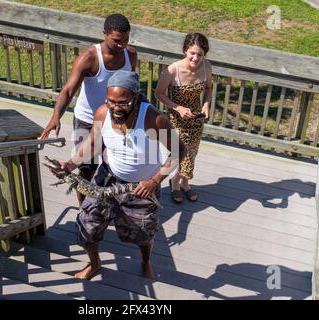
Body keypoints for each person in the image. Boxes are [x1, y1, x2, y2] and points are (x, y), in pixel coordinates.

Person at [52, 71, 186, 280]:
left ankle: (145, 261)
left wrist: (155, 181)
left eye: (122, 103)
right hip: (107, 179)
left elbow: (179, 151)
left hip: (142, 186)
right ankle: (95, 264)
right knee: (87, 223)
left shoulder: (153, 119)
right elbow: (93, 144)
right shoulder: (102, 113)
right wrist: (69, 164)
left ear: (135, 97)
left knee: (143, 233)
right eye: (111, 101)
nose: (115, 107)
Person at [39, 13, 137, 207]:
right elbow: (68, 90)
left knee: (116, 165)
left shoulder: (130, 55)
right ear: (105, 34)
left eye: (126, 40)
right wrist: (55, 116)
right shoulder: (90, 58)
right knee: (86, 167)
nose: (122, 45)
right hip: (88, 119)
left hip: (116, 119)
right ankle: (84, 208)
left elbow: (131, 86)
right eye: (117, 40)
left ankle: (113, 203)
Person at [155, 32, 212, 204]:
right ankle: (175, 184)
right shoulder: (173, 70)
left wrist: (206, 105)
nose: (195, 58)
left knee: (192, 152)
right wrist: (178, 108)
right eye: (192, 53)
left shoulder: (206, 67)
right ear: (185, 50)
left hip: (196, 118)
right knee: (183, 153)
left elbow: (209, 88)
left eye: (200, 54)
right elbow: (159, 94)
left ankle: (185, 183)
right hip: (177, 118)